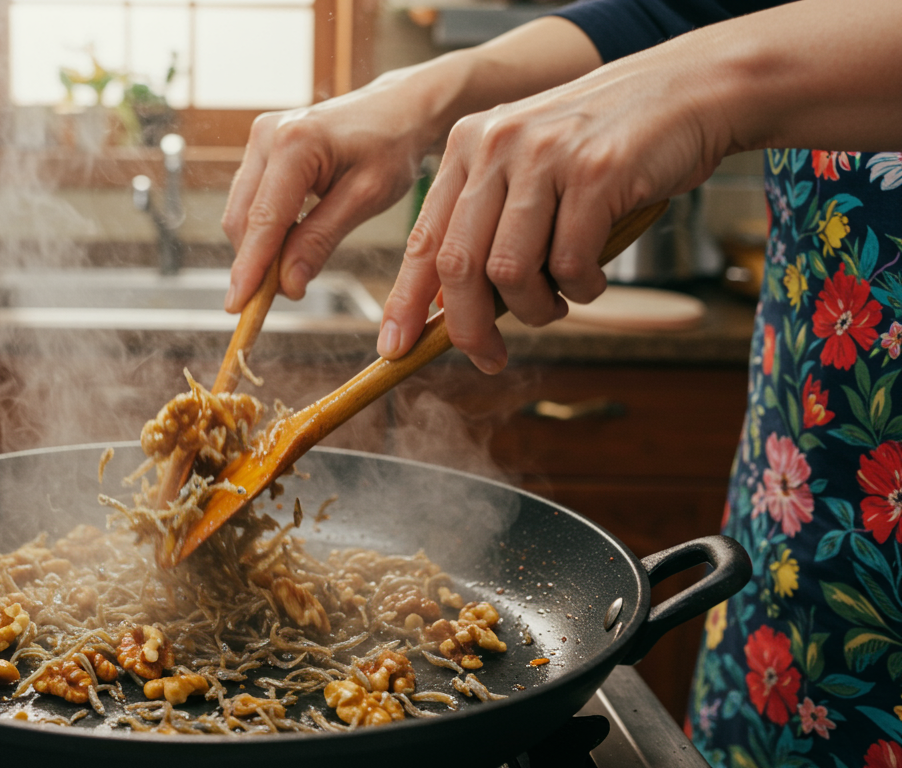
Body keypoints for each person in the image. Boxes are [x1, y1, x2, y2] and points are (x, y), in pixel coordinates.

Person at [221, 1, 902, 764]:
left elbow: (711, 44)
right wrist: (429, 94)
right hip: (803, 517)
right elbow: (687, 11)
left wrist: (716, 83)